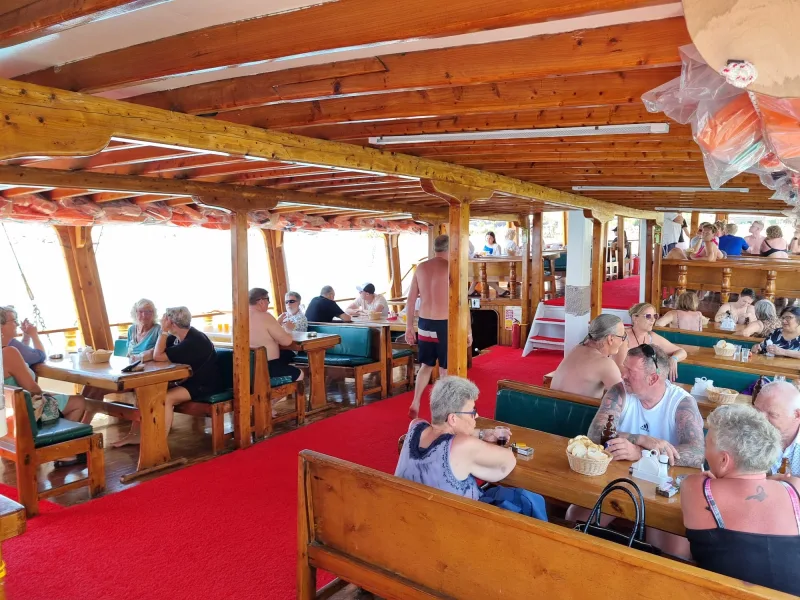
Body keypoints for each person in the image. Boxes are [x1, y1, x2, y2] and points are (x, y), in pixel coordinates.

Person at [681, 404, 800, 595]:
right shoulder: (795, 488)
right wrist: (769, 480)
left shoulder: (697, 488)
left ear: (724, 460)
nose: (705, 452)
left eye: (707, 444)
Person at [396, 376, 516, 500]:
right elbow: (508, 461)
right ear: (453, 419)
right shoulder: (462, 445)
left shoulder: (416, 426)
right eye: (472, 412)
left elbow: (440, 432)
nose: (476, 415)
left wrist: (482, 433)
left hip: (408, 507)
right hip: (461, 512)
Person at [589, 344, 705, 467]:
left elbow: (698, 454)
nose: (623, 375)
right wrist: (643, 440)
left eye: (630, 371)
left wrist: (641, 453)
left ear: (652, 379)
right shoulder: (619, 392)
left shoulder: (681, 402)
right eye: (625, 368)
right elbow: (595, 435)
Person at [2, 307, 87, 465]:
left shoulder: (8, 351)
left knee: (54, 396)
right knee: (79, 402)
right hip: (25, 415)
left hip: (6, 416)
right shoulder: (9, 353)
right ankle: (59, 452)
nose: (17, 324)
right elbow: (33, 389)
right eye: (13, 321)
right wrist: (45, 394)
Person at [406, 235, 472, 419]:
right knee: (444, 369)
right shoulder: (452, 268)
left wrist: (409, 327)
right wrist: (468, 331)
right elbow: (462, 303)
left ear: (435, 248)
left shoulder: (421, 268)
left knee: (426, 365)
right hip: (444, 324)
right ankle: (443, 410)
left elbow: (410, 301)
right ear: (451, 248)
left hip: (424, 323)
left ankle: (416, 401)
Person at [145, 307, 224, 444]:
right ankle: (146, 436)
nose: (162, 321)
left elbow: (158, 356)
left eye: (165, 319)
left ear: (172, 323)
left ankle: (158, 444)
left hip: (205, 384)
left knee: (166, 398)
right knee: (150, 393)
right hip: (190, 381)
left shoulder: (193, 341)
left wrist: (163, 331)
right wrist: (140, 356)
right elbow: (156, 351)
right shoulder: (178, 337)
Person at [249, 289, 304, 417]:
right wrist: (288, 329)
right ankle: (267, 404)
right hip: (265, 368)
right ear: (261, 301)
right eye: (268, 300)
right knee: (299, 374)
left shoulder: (240, 316)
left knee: (284, 361)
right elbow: (286, 341)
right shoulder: (265, 316)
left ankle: (259, 404)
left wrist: (277, 324)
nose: (268, 303)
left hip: (246, 368)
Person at [550, 314, 625, 399]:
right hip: (574, 407)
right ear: (610, 339)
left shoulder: (577, 348)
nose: (622, 341)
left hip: (551, 403)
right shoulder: (605, 364)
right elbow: (623, 398)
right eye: (622, 337)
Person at [615, 303, 687, 381]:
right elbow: (620, 367)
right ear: (635, 318)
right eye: (648, 316)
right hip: (626, 380)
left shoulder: (652, 337)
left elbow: (682, 351)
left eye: (655, 316)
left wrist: (673, 359)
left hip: (648, 380)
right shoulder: (623, 336)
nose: (653, 320)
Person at [753, 381, 800, 476]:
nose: (760, 420)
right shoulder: (745, 434)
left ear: (797, 415)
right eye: (757, 411)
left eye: (772, 414)